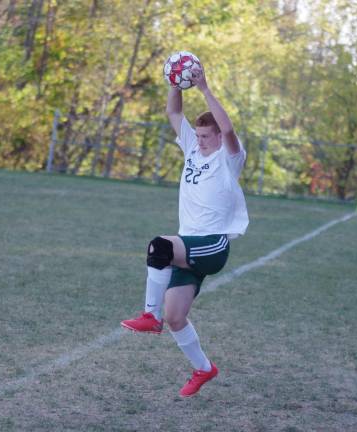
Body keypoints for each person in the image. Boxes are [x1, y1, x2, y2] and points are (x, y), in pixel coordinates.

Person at [120, 62, 249, 397]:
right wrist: (175, 82)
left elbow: (230, 130)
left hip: (212, 244)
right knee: (176, 318)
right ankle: (204, 368)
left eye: (208, 136)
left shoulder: (229, 157)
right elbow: (172, 111)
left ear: (218, 137)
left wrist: (205, 89)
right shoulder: (192, 146)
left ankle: (149, 315)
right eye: (200, 135)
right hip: (189, 243)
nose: (202, 140)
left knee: (159, 246)